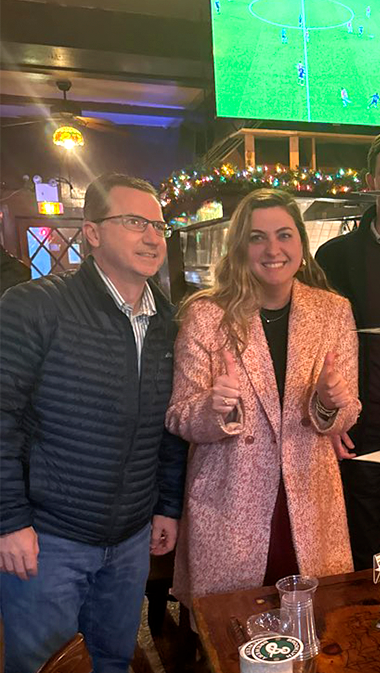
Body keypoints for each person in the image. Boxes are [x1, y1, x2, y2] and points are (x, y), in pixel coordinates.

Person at [0, 173, 187, 673]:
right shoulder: (37, 306)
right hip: (48, 538)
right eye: (134, 222)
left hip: (130, 540)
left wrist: (166, 507)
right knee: (44, 666)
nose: (152, 237)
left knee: (112, 660)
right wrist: (9, 520)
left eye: (159, 226)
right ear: (93, 232)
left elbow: (169, 425)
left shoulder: (168, 321)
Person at [166, 189, 358, 606]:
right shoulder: (206, 315)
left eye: (284, 235)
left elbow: (347, 411)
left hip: (307, 500)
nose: (273, 249)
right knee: (234, 631)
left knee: (314, 625)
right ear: (239, 247)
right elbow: (180, 416)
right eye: (257, 237)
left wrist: (328, 403)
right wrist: (213, 408)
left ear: (301, 245)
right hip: (231, 500)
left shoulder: (333, 311)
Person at [315, 128, 380, 570]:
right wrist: (329, 416)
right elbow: (314, 348)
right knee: (363, 557)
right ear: (372, 180)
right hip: (362, 434)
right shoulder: (335, 258)